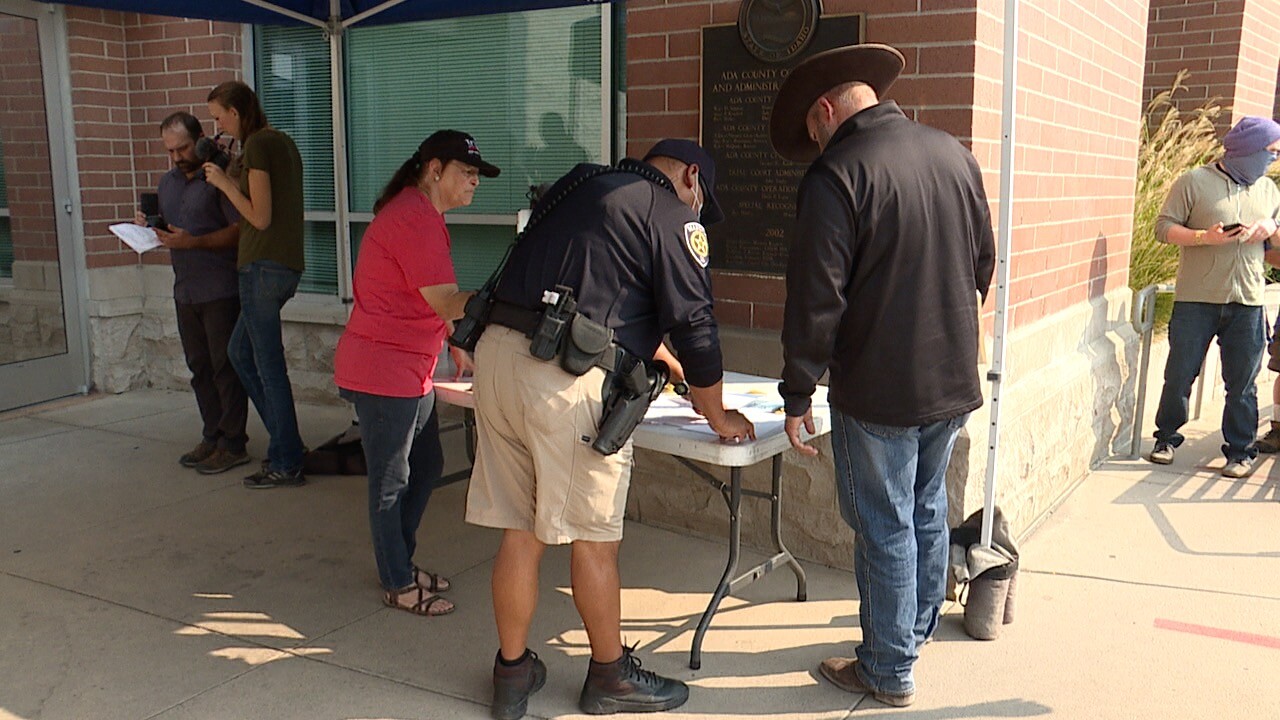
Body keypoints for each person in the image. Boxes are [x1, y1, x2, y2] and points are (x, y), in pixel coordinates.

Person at [464, 139, 755, 719]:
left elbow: (601, 295)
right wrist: (717, 413)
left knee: (520, 529)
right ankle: (610, 676)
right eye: (701, 202)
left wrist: (662, 361)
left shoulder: (580, 187)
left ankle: (512, 673)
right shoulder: (670, 212)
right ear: (690, 178)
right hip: (561, 380)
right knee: (596, 539)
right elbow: (696, 321)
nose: (698, 214)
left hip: (497, 360)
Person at [768, 44, 996, 708]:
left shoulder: (836, 173)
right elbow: (983, 264)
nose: (813, 143)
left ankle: (889, 666)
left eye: (811, 131)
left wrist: (797, 389)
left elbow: (817, 298)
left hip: (880, 386)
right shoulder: (953, 152)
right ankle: (911, 631)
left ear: (823, 110)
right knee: (924, 508)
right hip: (951, 377)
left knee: (885, 523)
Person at [333, 130, 497, 617]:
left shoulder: (420, 213)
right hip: (383, 371)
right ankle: (397, 580)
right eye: (466, 173)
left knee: (424, 467)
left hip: (410, 368)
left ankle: (399, 561)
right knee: (391, 481)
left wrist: (453, 339)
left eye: (476, 176)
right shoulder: (413, 219)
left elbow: (423, 294)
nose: (474, 183)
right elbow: (447, 298)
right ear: (434, 170)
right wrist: (503, 299)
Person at [1148, 116, 1280, 477]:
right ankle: (1166, 438)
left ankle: (1240, 452)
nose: (1273, 159)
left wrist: (1271, 227)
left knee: (1242, 384)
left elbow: (1278, 241)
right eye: (1270, 152)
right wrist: (1204, 237)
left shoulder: (1268, 190)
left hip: (1248, 300)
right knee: (1179, 375)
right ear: (1246, 150)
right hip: (1196, 299)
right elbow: (1163, 227)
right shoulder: (1194, 182)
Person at [202, 80, 308, 489]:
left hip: (262, 267)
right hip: (280, 266)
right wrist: (233, 170)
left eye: (219, 118)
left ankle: (286, 459)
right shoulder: (279, 143)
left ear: (235, 111)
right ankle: (289, 444)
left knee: (267, 365)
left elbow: (259, 217)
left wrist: (226, 184)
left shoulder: (260, 145)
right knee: (240, 352)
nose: (218, 128)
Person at [140, 111, 248, 475]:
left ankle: (233, 443)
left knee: (224, 367)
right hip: (185, 289)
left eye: (182, 148)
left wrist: (194, 242)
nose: (177, 157)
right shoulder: (167, 183)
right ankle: (212, 435)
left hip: (219, 287)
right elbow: (173, 231)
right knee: (199, 367)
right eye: (170, 151)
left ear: (200, 139)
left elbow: (239, 230)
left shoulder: (218, 178)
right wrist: (149, 229)